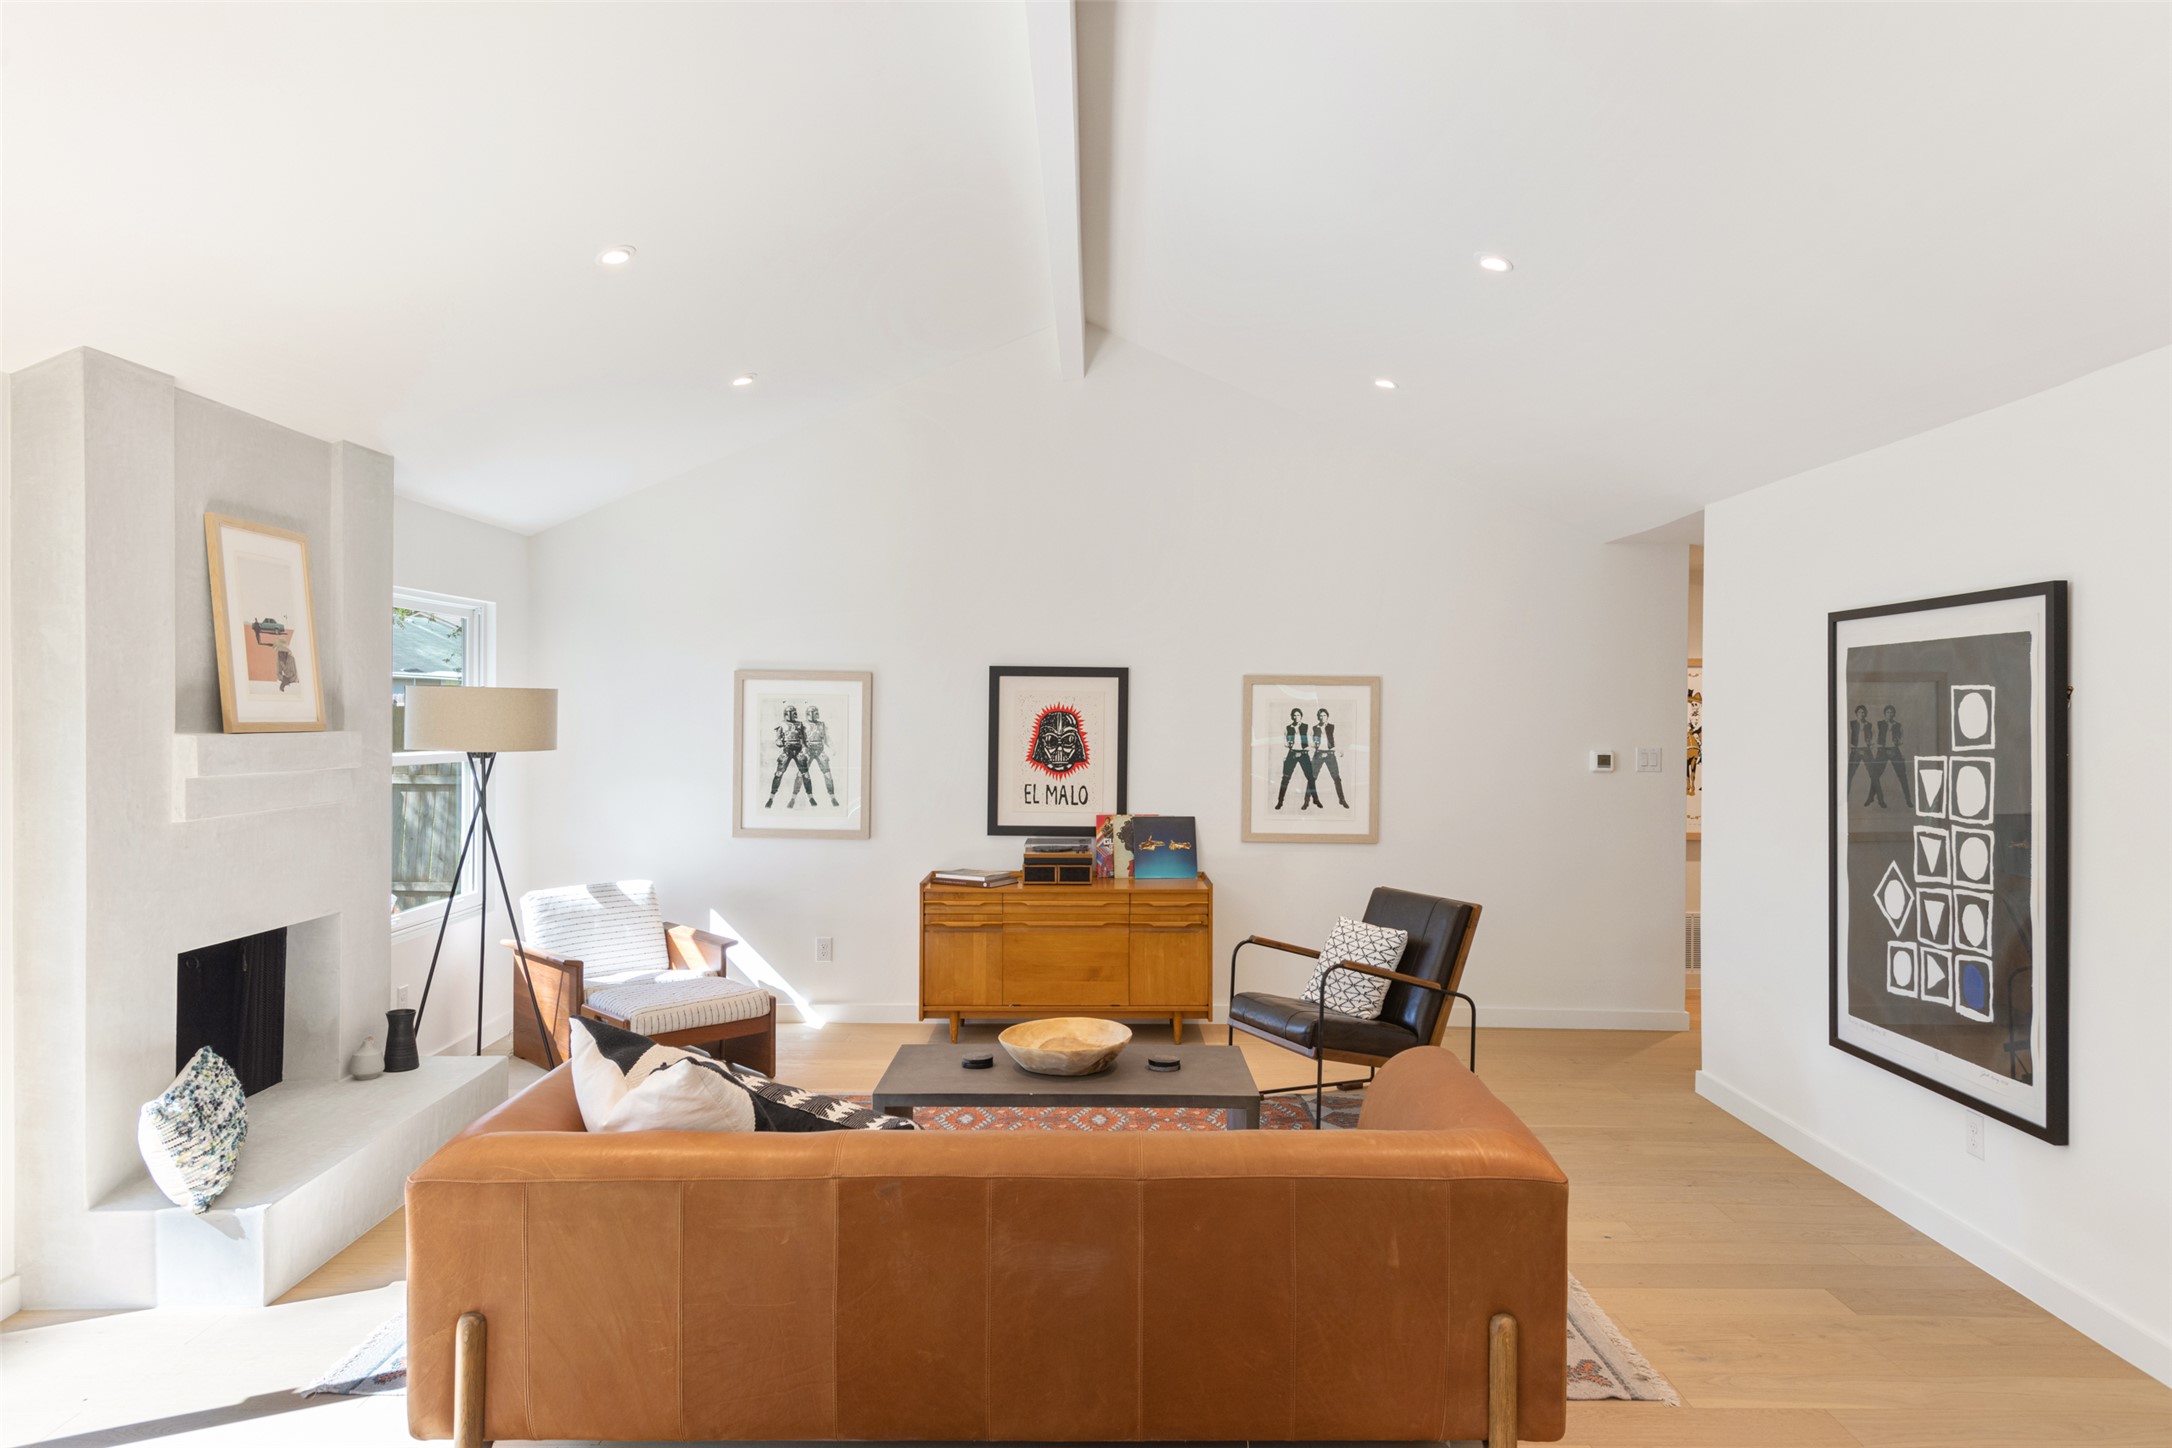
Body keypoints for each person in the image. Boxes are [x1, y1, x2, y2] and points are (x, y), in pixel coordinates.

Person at [764, 705, 814, 808]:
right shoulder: (781, 724)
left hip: (799, 751)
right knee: (778, 774)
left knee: (806, 775)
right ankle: (771, 798)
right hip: (787, 751)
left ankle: (811, 797)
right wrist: (779, 742)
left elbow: (805, 739)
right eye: (792, 713)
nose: (794, 715)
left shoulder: (800, 724)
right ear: (786, 714)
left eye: (795, 712)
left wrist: (806, 748)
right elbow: (778, 739)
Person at [1866, 703, 1913, 809]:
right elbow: (1873, 738)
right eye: (1888, 712)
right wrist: (1875, 749)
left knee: (1902, 776)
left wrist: (1898, 743)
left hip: (1894, 751)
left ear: (1894, 714)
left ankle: (1908, 800)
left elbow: (1902, 741)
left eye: (1892, 712)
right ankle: (1871, 797)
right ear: (1884, 714)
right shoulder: (1878, 724)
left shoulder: (1898, 725)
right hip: (1882, 751)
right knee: (1875, 775)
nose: (1890, 714)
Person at [1274, 707, 1317, 810]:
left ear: (1301, 716)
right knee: (1285, 778)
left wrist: (1312, 750)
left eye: (1298, 715)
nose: (1296, 717)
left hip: (1304, 754)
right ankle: (1280, 801)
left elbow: (1311, 742)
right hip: (1292, 753)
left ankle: (1315, 799)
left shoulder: (1307, 727)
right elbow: (1284, 743)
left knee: (1310, 778)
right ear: (1291, 717)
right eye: (1294, 715)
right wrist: (1288, 746)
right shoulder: (1288, 728)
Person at [804, 704, 841, 806]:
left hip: (820, 750)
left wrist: (832, 747)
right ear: (808, 714)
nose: (815, 715)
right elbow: (800, 739)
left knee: (827, 774)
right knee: (802, 774)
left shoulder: (822, 724)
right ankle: (809, 797)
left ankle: (832, 797)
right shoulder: (803, 724)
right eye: (813, 713)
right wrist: (803, 749)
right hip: (808, 751)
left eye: (816, 713)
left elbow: (827, 738)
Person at [1311, 708, 1346, 808]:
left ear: (1327, 717)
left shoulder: (1332, 727)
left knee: (1337, 778)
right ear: (1318, 717)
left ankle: (1342, 800)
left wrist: (1340, 750)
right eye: (1320, 716)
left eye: (1324, 715)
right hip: (1318, 754)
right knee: (1312, 778)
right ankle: (1307, 801)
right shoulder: (1314, 728)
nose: (1322, 717)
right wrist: (1312, 752)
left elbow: (1336, 739)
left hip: (1330, 754)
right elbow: (1310, 742)